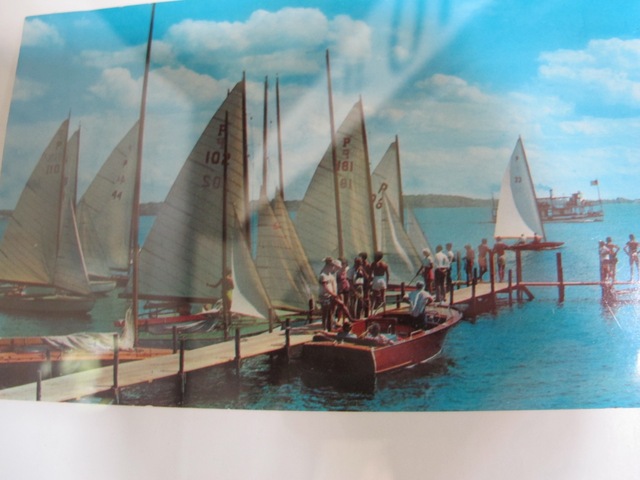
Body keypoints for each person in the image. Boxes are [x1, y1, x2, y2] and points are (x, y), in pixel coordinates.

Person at [318, 257, 339, 330]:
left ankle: (330, 327)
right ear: (328, 266)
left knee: (331, 313)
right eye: (332, 266)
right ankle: (324, 328)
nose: (333, 267)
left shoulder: (330, 275)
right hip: (324, 296)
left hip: (330, 296)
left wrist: (333, 294)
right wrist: (333, 294)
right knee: (325, 313)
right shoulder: (323, 275)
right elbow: (325, 287)